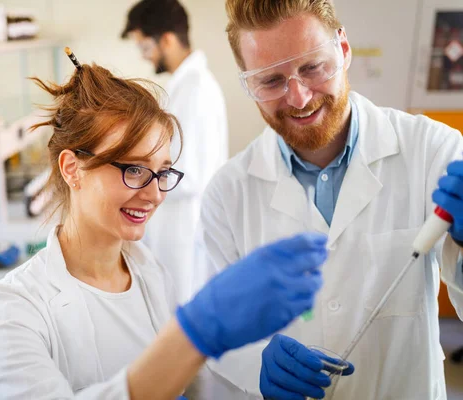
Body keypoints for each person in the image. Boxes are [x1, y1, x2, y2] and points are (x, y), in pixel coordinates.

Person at [0, 60, 331, 400]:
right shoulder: (13, 308)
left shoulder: (149, 272)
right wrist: (196, 333)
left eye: (162, 172)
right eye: (133, 169)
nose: (155, 193)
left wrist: (256, 371)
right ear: (72, 169)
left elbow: (183, 379)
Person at [196, 0, 463, 399]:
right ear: (247, 83)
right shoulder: (227, 193)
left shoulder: (432, 151)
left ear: (343, 49)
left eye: (312, 67)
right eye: (271, 80)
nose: (299, 98)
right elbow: (220, 330)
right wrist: (256, 367)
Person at [121, 0, 228, 301]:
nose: (146, 57)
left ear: (166, 39)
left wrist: (132, 173)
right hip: (177, 226)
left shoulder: (194, 89)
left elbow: (190, 174)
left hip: (183, 229)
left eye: (145, 47)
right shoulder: (187, 86)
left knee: (178, 318)